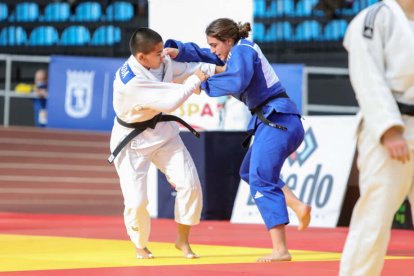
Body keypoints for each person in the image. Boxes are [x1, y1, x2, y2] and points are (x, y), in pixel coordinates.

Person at [164, 18, 311, 262]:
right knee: (248, 172)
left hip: (278, 121)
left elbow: (237, 80)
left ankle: (281, 250)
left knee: (260, 179)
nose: (212, 51)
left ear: (228, 40)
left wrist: (201, 82)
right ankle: (297, 205)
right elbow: (205, 55)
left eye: (215, 45)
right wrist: (179, 50)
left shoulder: (243, 50)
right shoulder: (235, 53)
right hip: (276, 122)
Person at [109, 27, 217, 259]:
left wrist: (220, 69)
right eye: (158, 53)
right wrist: (193, 82)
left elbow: (189, 68)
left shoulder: (161, 61)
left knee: (189, 184)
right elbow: (170, 102)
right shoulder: (132, 81)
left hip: (163, 133)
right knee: (137, 201)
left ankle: (183, 241)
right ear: (141, 57)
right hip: (132, 142)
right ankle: (140, 245)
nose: (164, 55)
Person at [339, 0, 414, 275]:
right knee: (375, 217)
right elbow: (367, 77)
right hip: (391, 128)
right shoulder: (373, 18)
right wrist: (389, 129)